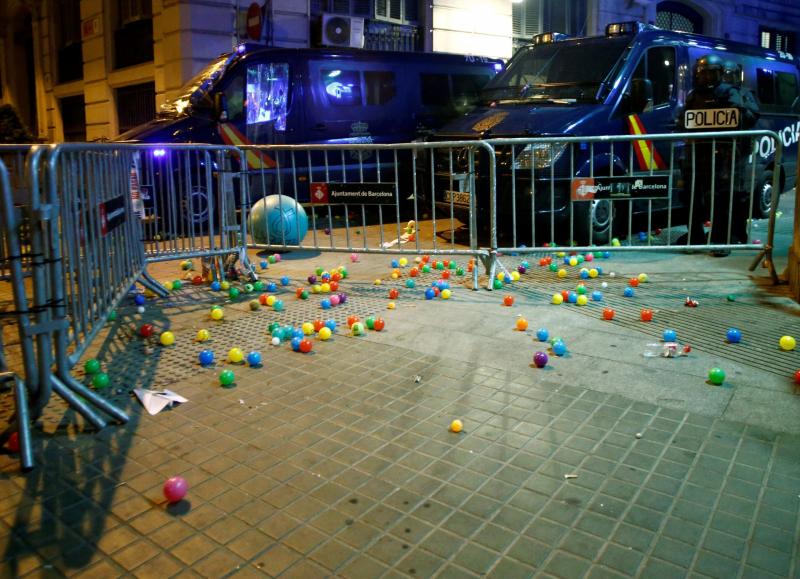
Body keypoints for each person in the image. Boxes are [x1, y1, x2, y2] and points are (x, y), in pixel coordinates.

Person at [678, 54, 760, 255]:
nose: (706, 77)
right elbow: (683, 120)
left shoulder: (733, 94)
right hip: (698, 154)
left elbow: (748, 118)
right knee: (691, 196)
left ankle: (721, 238)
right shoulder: (693, 96)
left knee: (723, 198)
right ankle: (695, 236)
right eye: (702, 73)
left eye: (710, 73)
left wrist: (737, 112)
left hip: (726, 156)